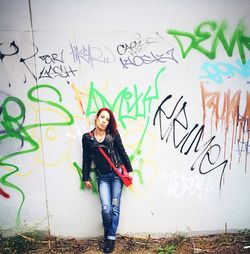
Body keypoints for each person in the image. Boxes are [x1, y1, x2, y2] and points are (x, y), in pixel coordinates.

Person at [82, 107, 133, 253]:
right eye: (102, 117)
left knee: (115, 207)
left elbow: (122, 151)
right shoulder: (87, 138)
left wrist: (129, 171)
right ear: (96, 118)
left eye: (107, 119)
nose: (104, 121)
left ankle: (110, 238)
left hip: (117, 176)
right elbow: (86, 159)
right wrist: (85, 177)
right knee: (106, 209)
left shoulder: (113, 134)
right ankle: (108, 230)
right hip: (102, 177)